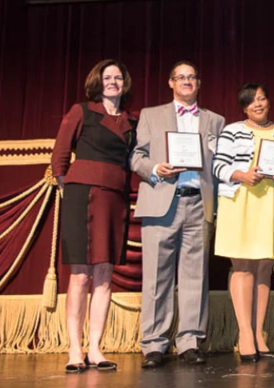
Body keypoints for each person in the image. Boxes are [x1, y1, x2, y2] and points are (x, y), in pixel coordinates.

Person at [131, 61, 225, 367]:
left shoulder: (215, 120)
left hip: (199, 204)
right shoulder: (150, 114)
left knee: (195, 277)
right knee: (157, 277)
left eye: (191, 77)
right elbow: (136, 156)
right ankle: (154, 344)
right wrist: (155, 169)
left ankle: (189, 341)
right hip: (161, 201)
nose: (186, 81)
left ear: (199, 83)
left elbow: (220, 164)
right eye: (180, 77)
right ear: (171, 83)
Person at [51, 59, 136, 373]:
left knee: (104, 276)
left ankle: (96, 349)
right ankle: (74, 349)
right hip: (81, 196)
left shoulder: (132, 122)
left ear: (124, 83)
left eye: (118, 77)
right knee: (81, 275)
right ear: (97, 82)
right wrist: (69, 188)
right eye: (107, 77)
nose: (112, 82)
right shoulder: (82, 111)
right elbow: (59, 157)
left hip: (115, 199)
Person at [213, 83, 274, 362]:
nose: (258, 104)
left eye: (262, 98)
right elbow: (218, 166)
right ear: (244, 107)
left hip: (273, 201)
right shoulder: (231, 130)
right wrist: (241, 175)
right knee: (242, 266)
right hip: (240, 201)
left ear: (268, 101)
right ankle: (244, 333)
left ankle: (259, 331)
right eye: (252, 101)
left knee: (264, 266)